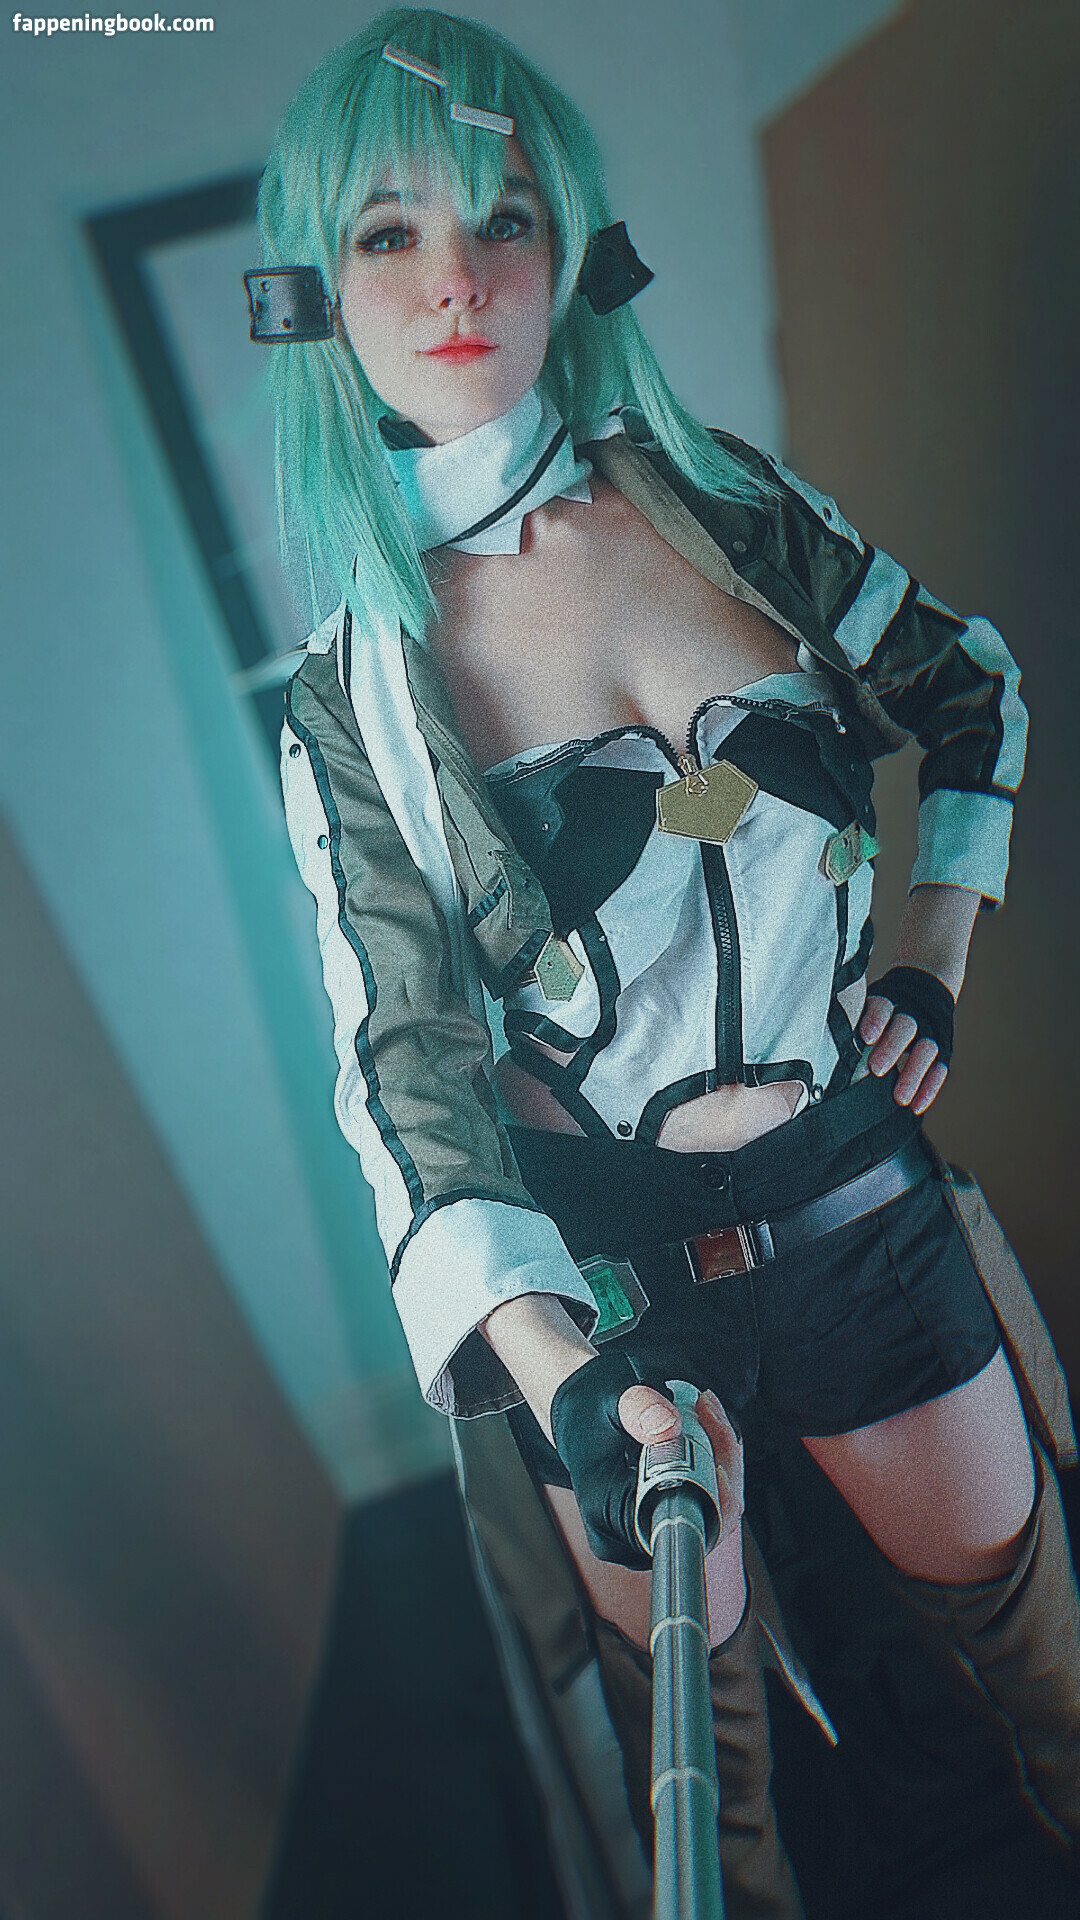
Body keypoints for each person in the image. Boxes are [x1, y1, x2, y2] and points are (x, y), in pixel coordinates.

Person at [255, 11, 1080, 1913]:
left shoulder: (727, 505)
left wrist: (931, 952)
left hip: (854, 1210)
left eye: (503, 217)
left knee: (1049, 1677)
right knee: (707, 1811)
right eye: (390, 232)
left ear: (570, 245)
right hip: (609, 1307)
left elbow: (972, 689)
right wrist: (563, 1387)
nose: (457, 277)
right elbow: (406, 1088)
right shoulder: (356, 699)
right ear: (315, 289)